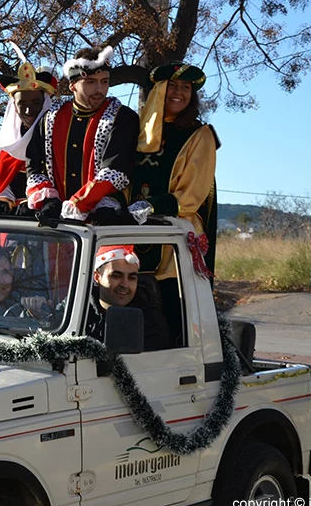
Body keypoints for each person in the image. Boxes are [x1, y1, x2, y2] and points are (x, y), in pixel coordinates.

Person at [126, 62, 220, 341]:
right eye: (173, 86)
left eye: (186, 88)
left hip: (174, 237)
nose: (179, 92)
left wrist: (153, 206)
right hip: (131, 234)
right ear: (159, 91)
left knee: (172, 314)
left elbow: (193, 192)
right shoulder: (134, 133)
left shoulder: (200, 135)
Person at [26, 45, 139, 223]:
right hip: (56, 223)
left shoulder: (122, 117)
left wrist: (77, 204)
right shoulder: (50, 119)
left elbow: (115, 169)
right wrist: (49, 200)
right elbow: (34, 165)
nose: (99, 89)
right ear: (72, 86)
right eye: (91, 82)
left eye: (104, 81)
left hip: (104, 218)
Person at [0, 43, 56, 215]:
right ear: (14, 107)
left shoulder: (57, 136)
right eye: (22, 104)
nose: (28, 110)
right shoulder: (10, 141)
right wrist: (3, 199)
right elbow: (7, 182)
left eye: (35, 103)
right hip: (16, 219)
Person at [85, 245, 171, 352]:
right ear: (97, 277)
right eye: (116, 276)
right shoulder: (77, 309)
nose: (125, 284)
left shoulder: (150, 319)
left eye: (132, 278)